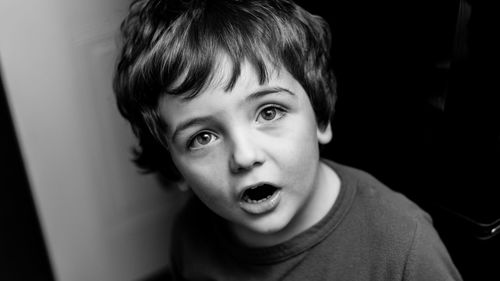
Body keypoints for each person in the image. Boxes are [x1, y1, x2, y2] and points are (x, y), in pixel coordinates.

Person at [113, 0, 463, 280]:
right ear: (174, 169)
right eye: (203, 137)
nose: (245, 156)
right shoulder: (190, 236)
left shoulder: (403, 247)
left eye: (269, 112)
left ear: (321, 117)